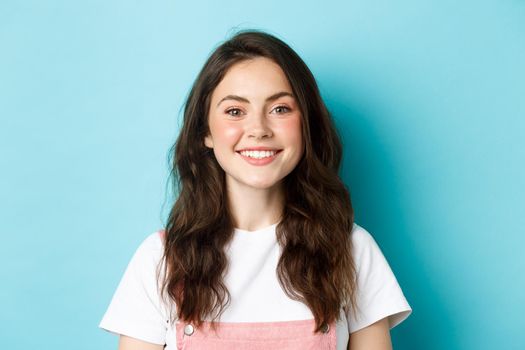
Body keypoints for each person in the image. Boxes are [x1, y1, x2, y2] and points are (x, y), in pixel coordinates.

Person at [99, 30, 412, 350]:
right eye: (235, 111)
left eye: (280, 109)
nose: (259, 130)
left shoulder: (352, 250)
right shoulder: (160, 259)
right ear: (205, 132)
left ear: (307, 126)